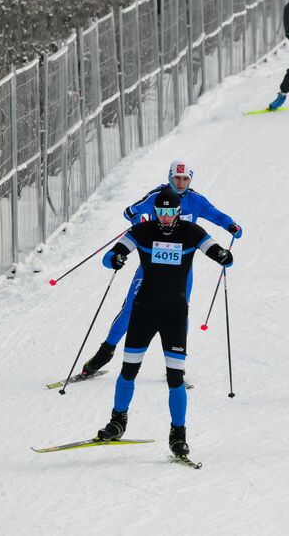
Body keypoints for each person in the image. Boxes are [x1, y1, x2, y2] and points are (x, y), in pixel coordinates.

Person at [93, 188, 233, 462]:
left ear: (178, 211)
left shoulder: (191, 232)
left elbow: (214, 249)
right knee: (129, 370)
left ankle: (178, 434)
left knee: (175, 378)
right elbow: (110, 255)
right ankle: (117, 421)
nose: (166, 217)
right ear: (155, 211)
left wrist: (223, 257)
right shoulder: (143, 231)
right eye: (161, 212)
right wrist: (116, 259)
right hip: (144, 312)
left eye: (170, 212)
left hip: (174, 314)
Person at [76, 160, 242, 379]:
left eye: (185, 179)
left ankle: (177, 363)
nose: (181, 183)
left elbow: (216, 215)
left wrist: (231, 225)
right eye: (177, 178)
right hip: (150, 268)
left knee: (180, 312)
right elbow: (131, 210)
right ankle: (104, 352)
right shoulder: (157, 197)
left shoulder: (196, 201)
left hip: (181, 271)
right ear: (170, 177)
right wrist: (138, 220)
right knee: (130, 310)